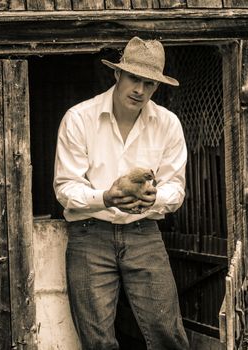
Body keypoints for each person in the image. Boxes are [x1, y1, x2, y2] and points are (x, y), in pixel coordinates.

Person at [53, 36, 190, 350]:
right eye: (134, 78)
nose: (140, 90)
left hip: (144, 233)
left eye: (150, 83)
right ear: (117, 74)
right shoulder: (79, 119)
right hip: (89, 233)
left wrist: (154, 198)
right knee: (97, 338)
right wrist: (105, 197)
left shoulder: (168, 125)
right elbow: (66, 187)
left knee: (165, 330)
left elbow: (175, 188)